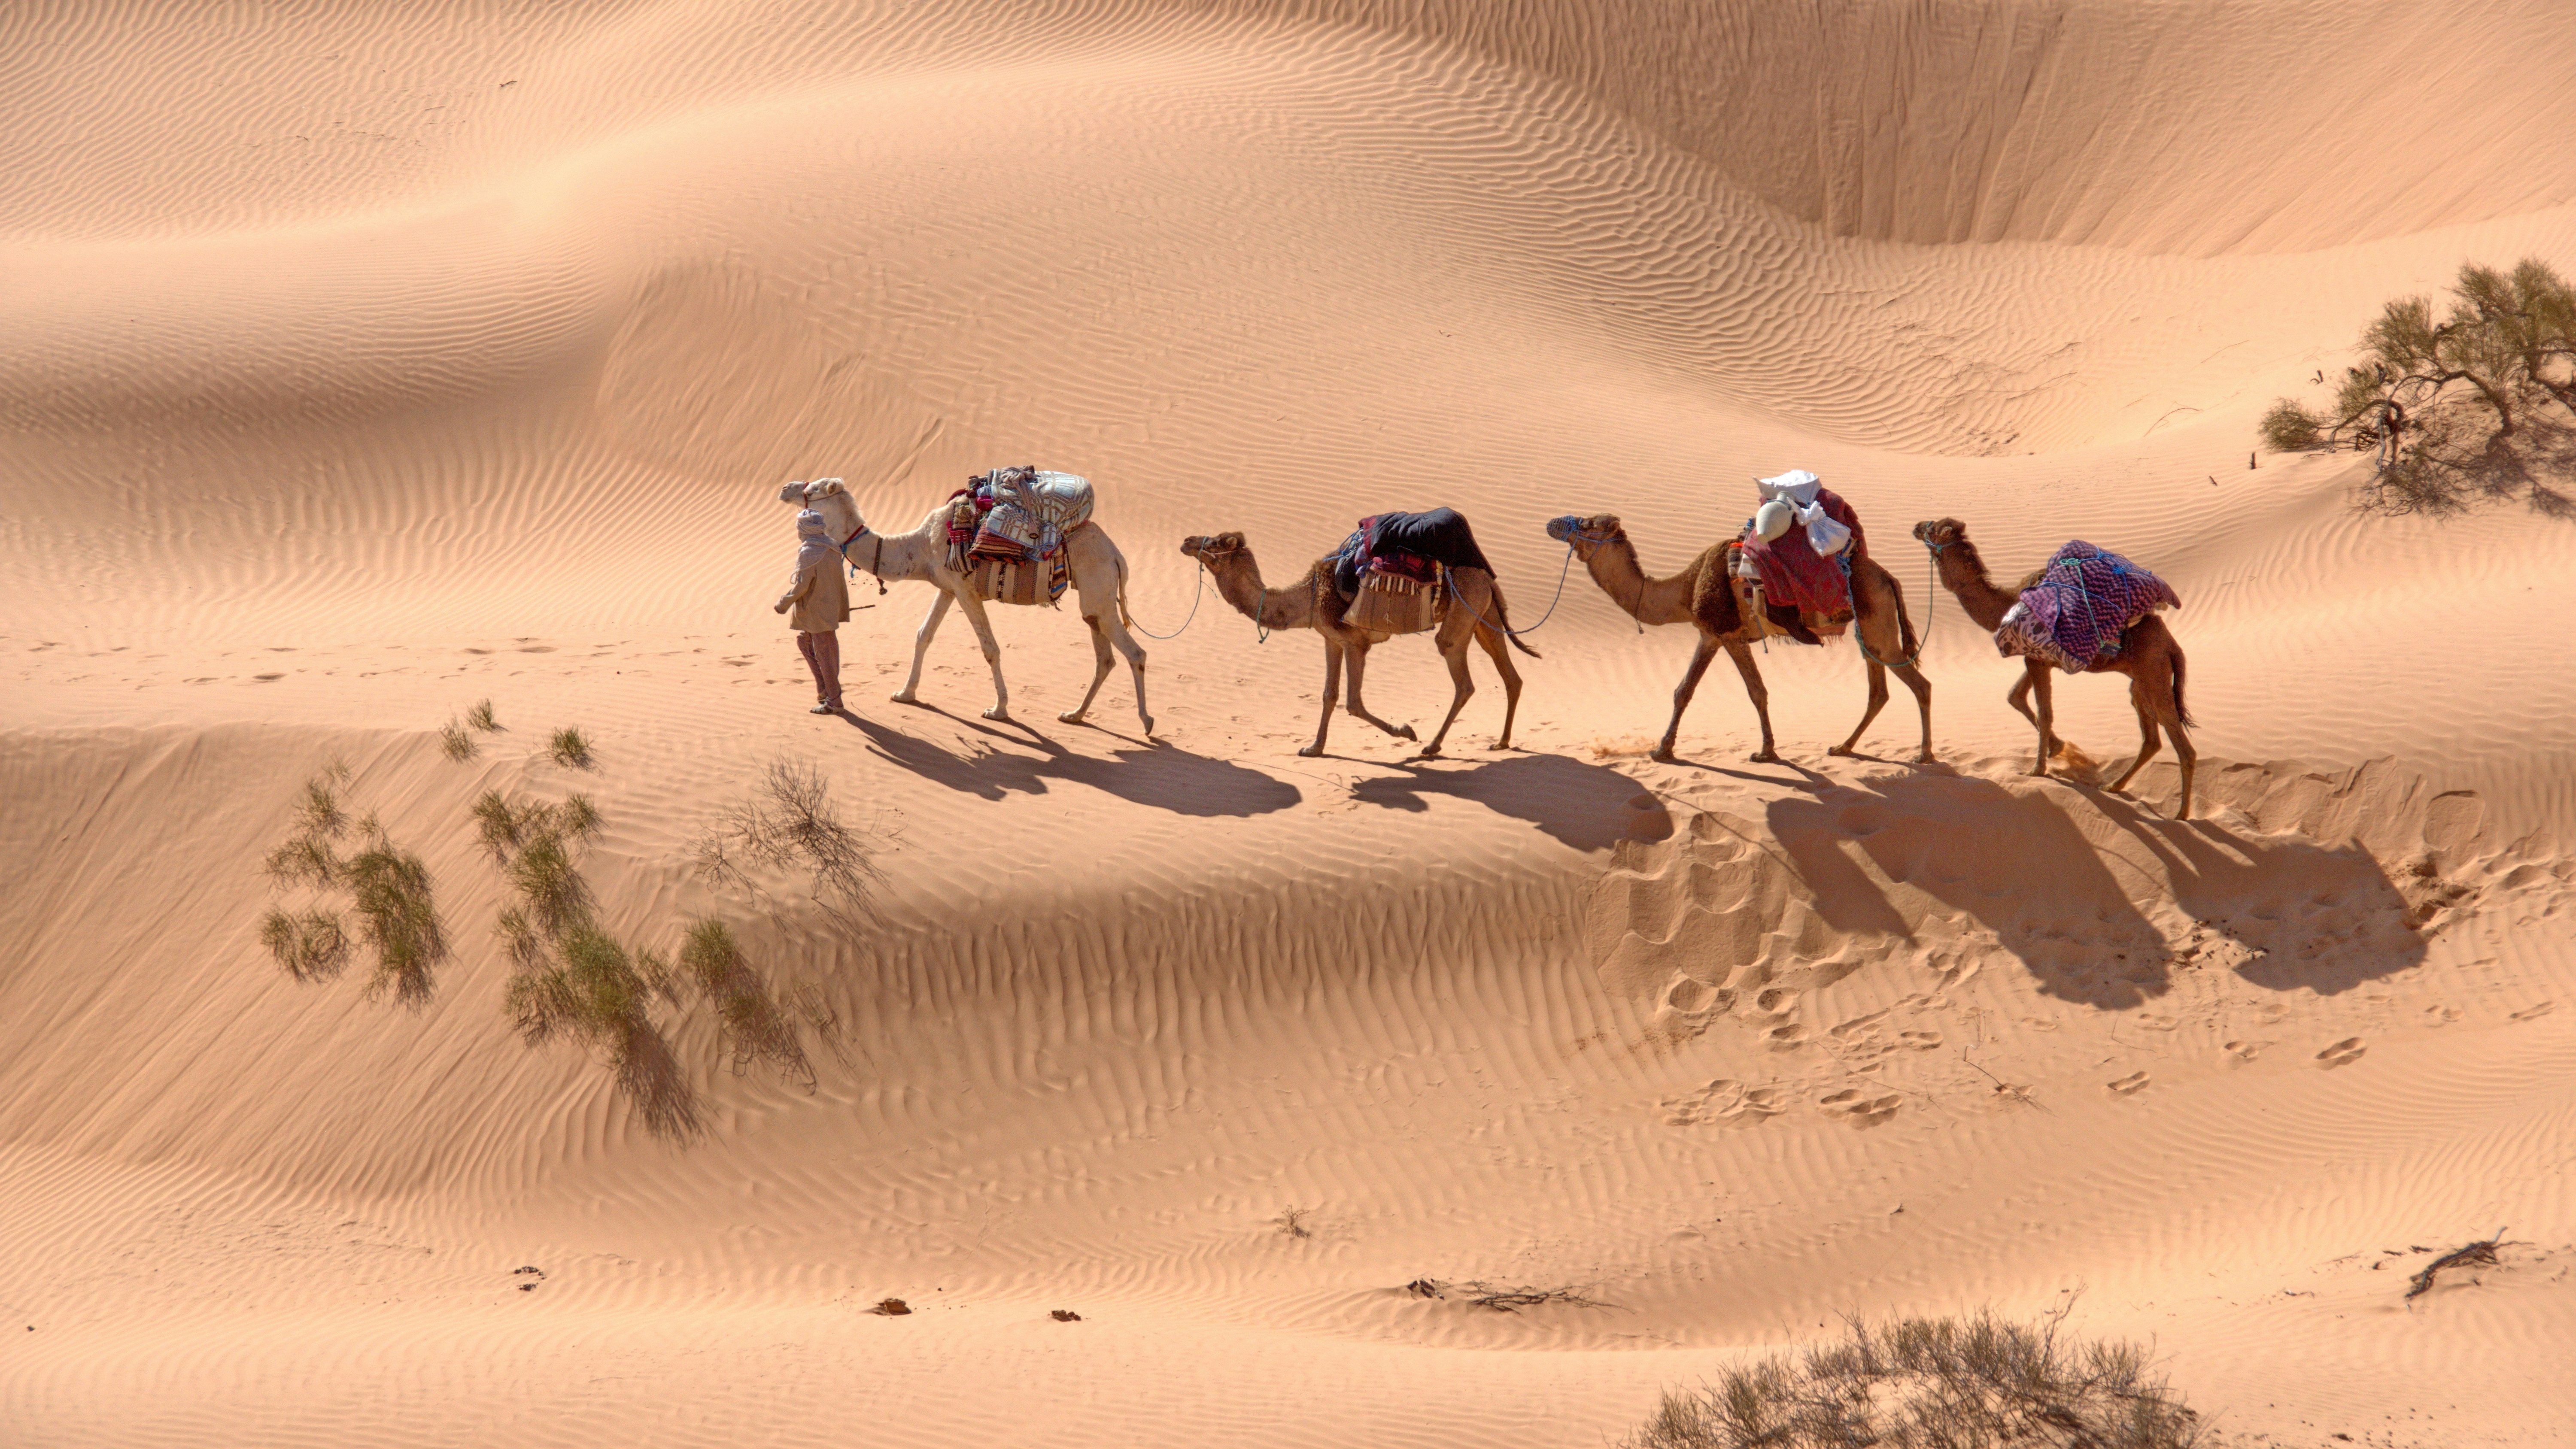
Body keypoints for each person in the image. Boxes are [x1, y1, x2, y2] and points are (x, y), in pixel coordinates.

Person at [775, 509, 850, 714]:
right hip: (830, 607)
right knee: (809, 643)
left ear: (804, 530)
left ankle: (834, 701)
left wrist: (783, 603)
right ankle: (825, 690)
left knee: (824, 653)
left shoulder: (810, 552)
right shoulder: (833, 547)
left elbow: (802, 585)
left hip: (816, 610)